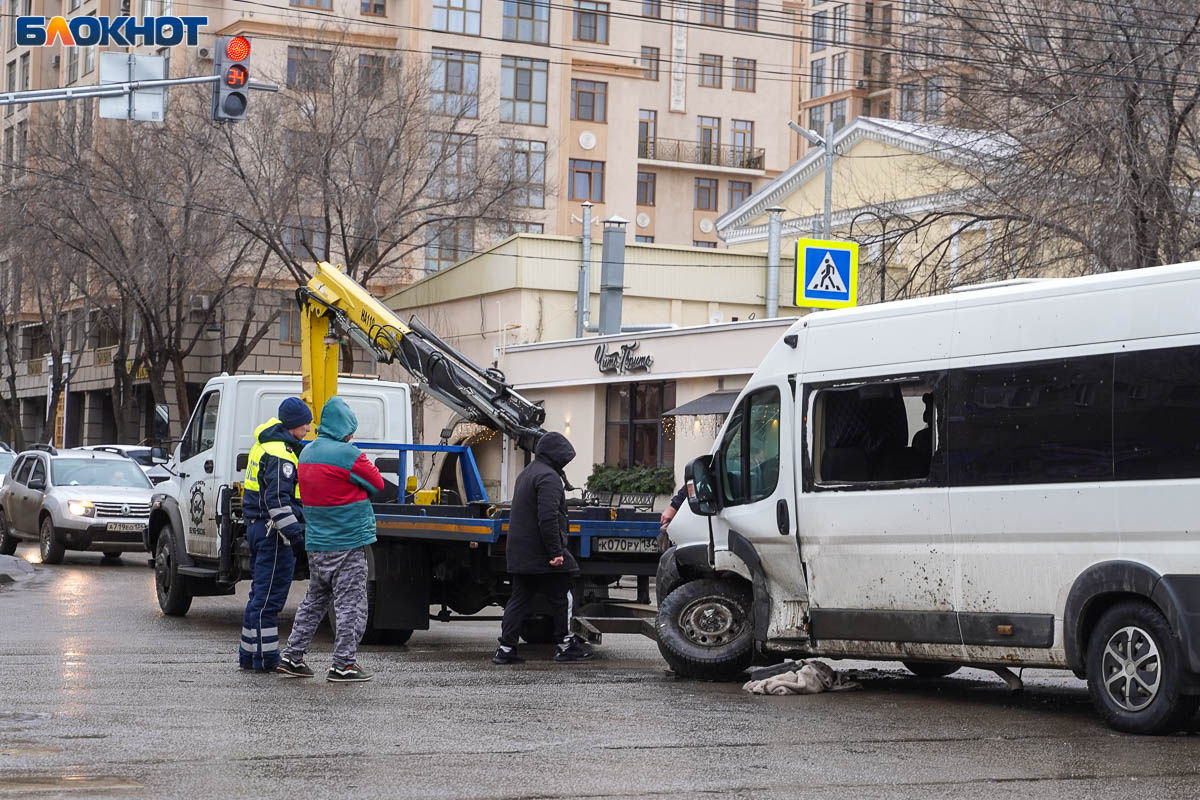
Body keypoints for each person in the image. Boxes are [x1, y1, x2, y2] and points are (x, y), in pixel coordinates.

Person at [277, 396, 384, 683]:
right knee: (351, 604)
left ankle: (292, 656)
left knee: (314, 600)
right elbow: (377, 483)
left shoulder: (307, 452)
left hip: (317, 541)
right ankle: (343, 664)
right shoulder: (350, 454)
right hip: (348, 541)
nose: (352, 435)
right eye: (351, 428)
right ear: (344, 427)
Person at [494, 431, 593, 665]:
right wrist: (556, 553)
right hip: (541, 554)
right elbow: (547, 518)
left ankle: (506, 649)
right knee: (563, 596)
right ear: (557, 456)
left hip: (520, 551)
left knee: (518, 599)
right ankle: (565, 644)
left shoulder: (527, 473)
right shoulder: (548, 478)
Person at [239, 397, 310, 672]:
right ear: (293, 424)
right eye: (305, 423)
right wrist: (296, 537)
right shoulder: (281, 453)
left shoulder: (264, 445)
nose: (307, 428)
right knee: (268, 601)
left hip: (259, 528)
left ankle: (248, 655)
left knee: (258, 597)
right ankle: (267, 660)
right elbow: (278, 501)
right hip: (275, 534)